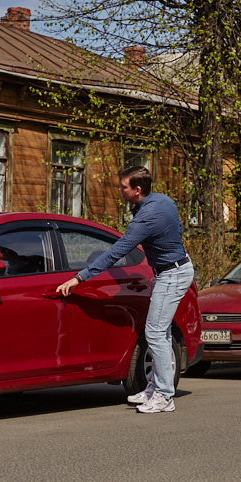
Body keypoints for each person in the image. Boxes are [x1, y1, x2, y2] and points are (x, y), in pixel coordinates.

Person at [56, 166, 194, 414]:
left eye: (124, 187)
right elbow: (178, 227)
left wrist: (80, 277)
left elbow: (115, 253)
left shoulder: (145, 219)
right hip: (174, 268)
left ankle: (164, 396)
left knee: (154, 332)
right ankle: (156, 387)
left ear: (137, 190)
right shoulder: (163, 201)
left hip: (172, 274)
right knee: (158, 333)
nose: (120, 190)